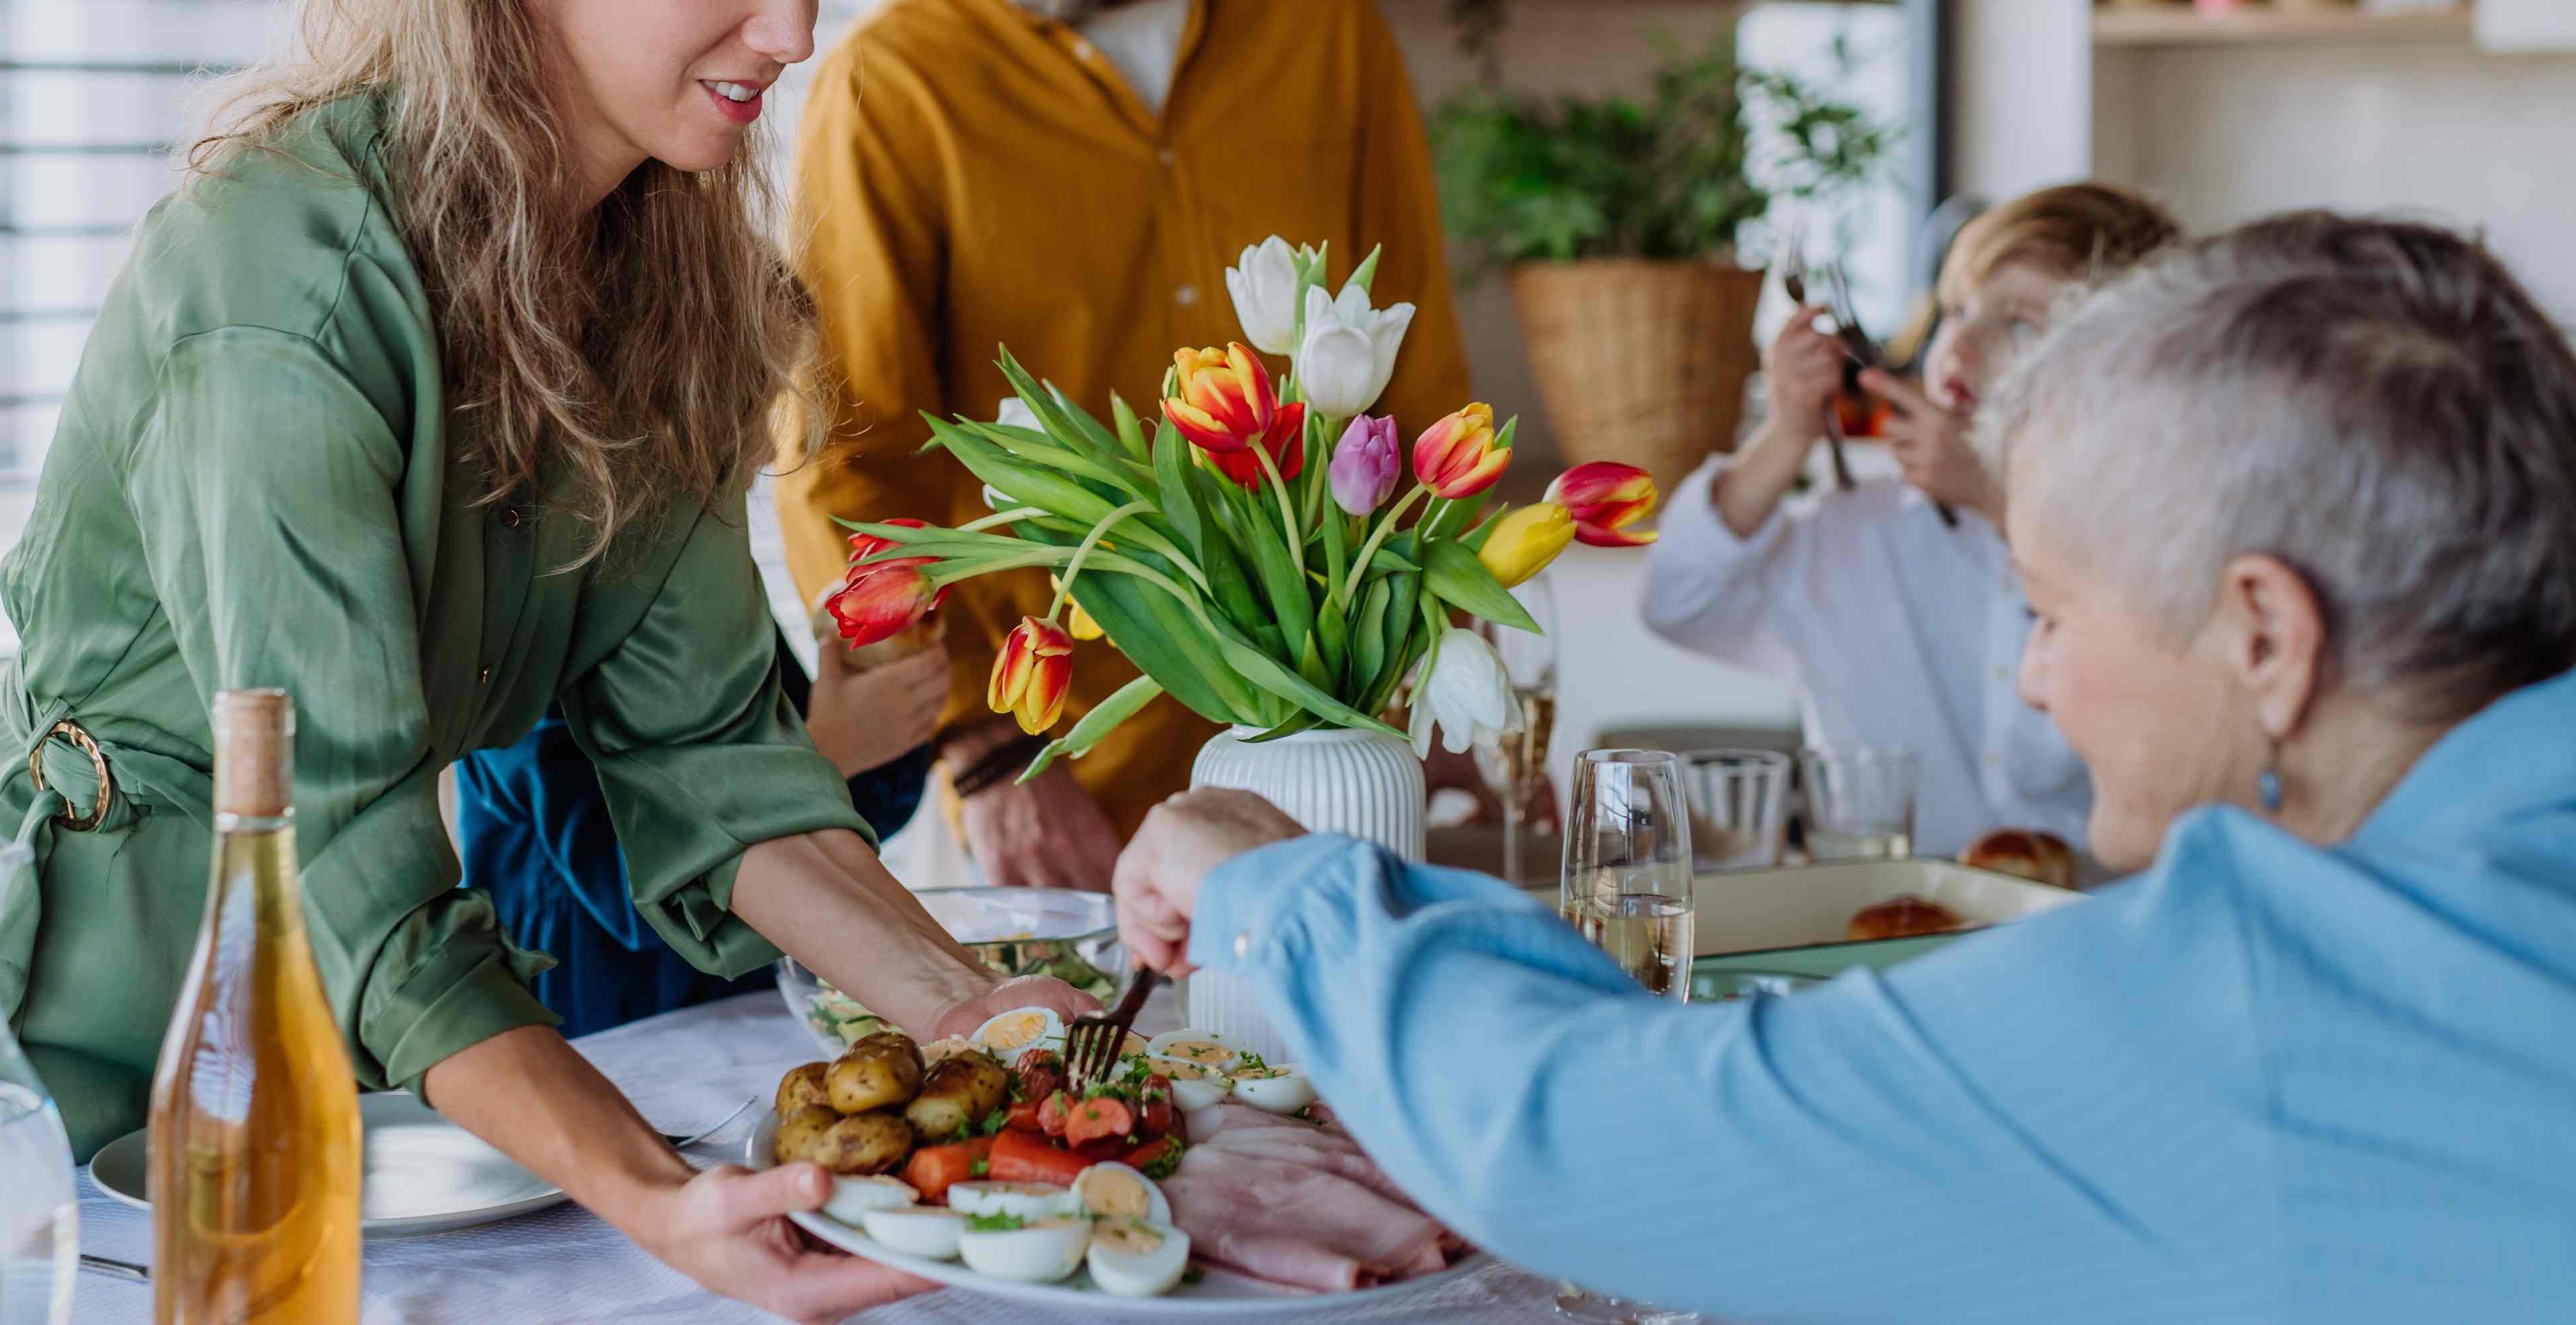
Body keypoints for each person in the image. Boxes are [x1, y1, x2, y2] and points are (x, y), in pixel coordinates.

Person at [1112, 214, 2576, 1322]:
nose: (2035, 670)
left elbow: (1587, 1141)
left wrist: (1271, 884)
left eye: (2052, 609)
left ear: (2265, 632)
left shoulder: (2271, 989)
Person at [0, 1, 1090, 1317]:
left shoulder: (657, 274)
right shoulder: (284, 278)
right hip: (37, 1044)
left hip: (324, 1045)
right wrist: (663, 1201)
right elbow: (333, 850)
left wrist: (984, 1019)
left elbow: (711, 758)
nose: (791, 31)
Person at [775, 0, 1472, 891]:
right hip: (1051, 775)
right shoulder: (890, 79)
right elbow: (846, 462)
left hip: (1340, 738)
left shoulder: (1327, 31)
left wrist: (1441, 665)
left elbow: (1415, 366)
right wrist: (980, 749)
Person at [1640, 183, 2181, 858]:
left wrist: (2002, 503)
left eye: (2018, 324)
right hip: (1881, 924)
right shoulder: (1856, 532)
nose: (1961, 345)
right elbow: (1677, 600)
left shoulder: (2162, 556)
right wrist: (1785, 436)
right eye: (1957, 310)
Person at [454, 627, 948, 1037]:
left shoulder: (718, 611)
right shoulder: (520, 651)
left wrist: (881, 697)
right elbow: (635, 887)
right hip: (603, 1029)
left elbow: (854, 819)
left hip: (757, 995)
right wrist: (831, 747)